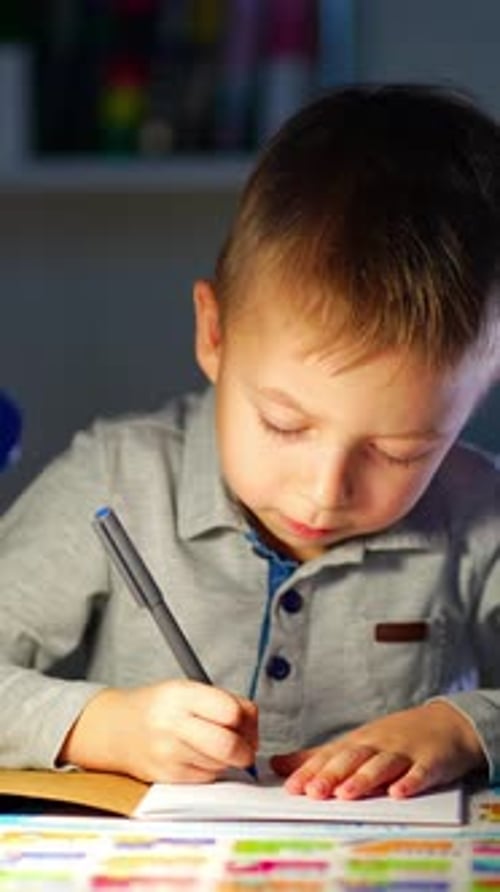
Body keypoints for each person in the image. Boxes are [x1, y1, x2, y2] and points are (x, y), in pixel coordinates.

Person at [1, 84, 500, 802]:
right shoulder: (118, 476)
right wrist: (104, 726)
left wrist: (463, 727)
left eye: (400, 451)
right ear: (215, 336)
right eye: (285, 425)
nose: (325, 489)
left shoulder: (478, 509)